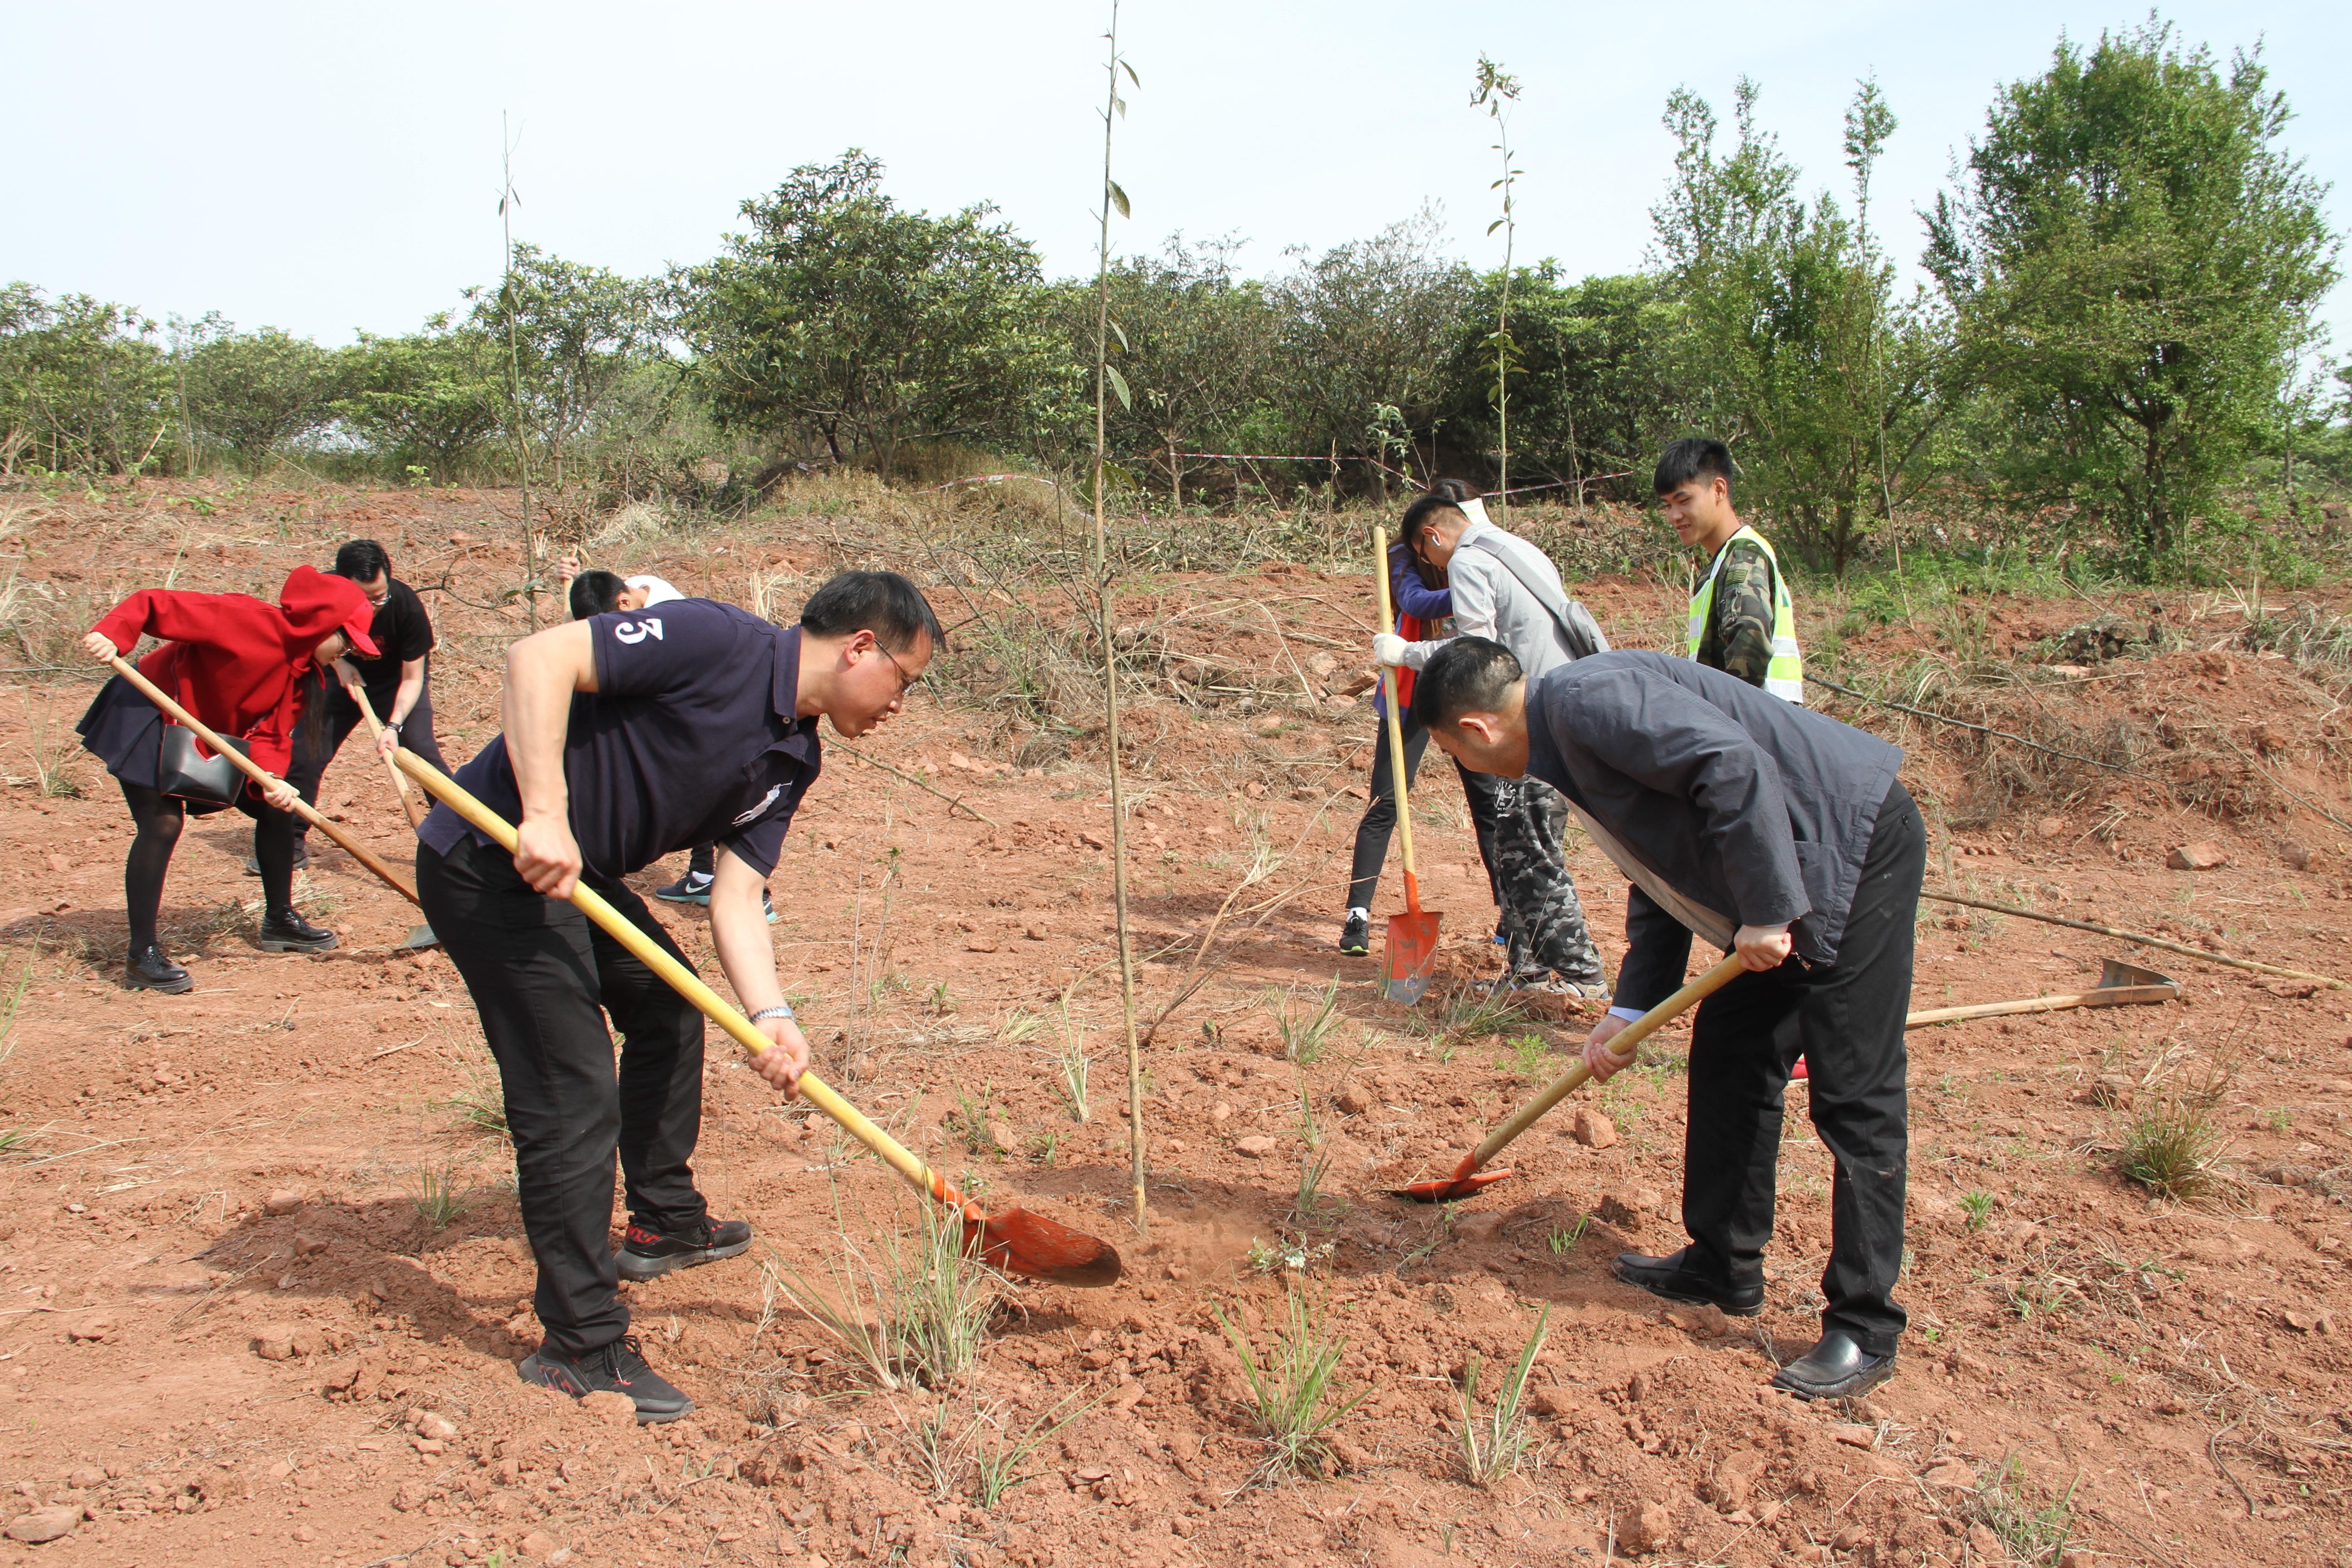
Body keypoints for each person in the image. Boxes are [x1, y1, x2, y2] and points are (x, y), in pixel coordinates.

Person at [414, 569, 941, 1423]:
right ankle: (578, 1346)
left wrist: (774, 1018)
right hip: (492, 860)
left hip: (576, 878)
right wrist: (544, 811)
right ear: (859, 648)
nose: (898, 707)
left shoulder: (792, 755)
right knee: (569, 1098)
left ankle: (663, 1222)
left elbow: (736, 897)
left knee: (669, 1003)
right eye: (902, 682)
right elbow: (536, 657)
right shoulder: (713, 640)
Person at [1411, 636, 1923, 1401]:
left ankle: (1863, 1325)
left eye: (1452, 754)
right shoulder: (1566, 737)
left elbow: (1733, 766)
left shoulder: (1587, 704)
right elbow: (1659, 870)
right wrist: (1627, 1009)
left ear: (1473, 733)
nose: (1466, 770)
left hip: (1847, 846)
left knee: (1853, 1090)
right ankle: (1721, 1264)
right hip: (1782, 869)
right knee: (1728, 1055)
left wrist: (1767, 909)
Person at [76, 568, 383, 991]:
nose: (346, 651)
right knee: (162, 824)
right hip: (149, 711)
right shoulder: (245, 619)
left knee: (277, 810)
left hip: (206, 734)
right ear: (321, 623)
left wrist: (272, 780)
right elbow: (153, 603)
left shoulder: (305, 673)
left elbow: (273, 735)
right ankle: (141, 954)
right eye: (345, 640)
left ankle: (279, 919)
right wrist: (114, 634)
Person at [1371, 488, 1609, 998]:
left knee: (1527, 846)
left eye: (1424, 553)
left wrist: (1408, 652)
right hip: (1564, 704)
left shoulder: (1470, 561)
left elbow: (1479, 654)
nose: (1431, 563)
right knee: (1512, 844)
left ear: (1432, 537)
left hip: (1536, 720)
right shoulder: (1519, 548)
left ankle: (1580, 975)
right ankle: (1531, 971)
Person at [1339, 487, 1505, 955]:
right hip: (1411, 690)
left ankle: (1510, 914)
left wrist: (1484, 584)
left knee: (1489, 805)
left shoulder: (1477, 555)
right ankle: (1358, 916)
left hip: (1467, 694)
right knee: (1386, 802)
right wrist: (1477, 590)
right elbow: (1414, 602)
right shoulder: (1402, 553)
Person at [269, 539, 448, 870]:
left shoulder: (405, 606)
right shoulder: (320, 596)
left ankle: (461, 837)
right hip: (338, 679)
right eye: (364, 599)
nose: (374, 606)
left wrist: (393, 725)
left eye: (380, 596)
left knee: (421, 751)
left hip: (396, 683)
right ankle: (288, 841)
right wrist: (339, 665)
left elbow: (413, 678)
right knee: (306, 753)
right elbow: (309, 641)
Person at [1655, 437, 1803, 703]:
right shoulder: (1724, 561)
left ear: (1719, 490)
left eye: (1684, 500)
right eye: (1667, 505)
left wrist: (1721, 723)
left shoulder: (1743, 555)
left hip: (1761, 729)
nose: (1674, 516)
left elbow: (1749, 649)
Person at [558, 554, 683, 619]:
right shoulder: (636, 585)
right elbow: (606, 592)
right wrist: (579, 579)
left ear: (624, 602)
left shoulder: (663, 617)